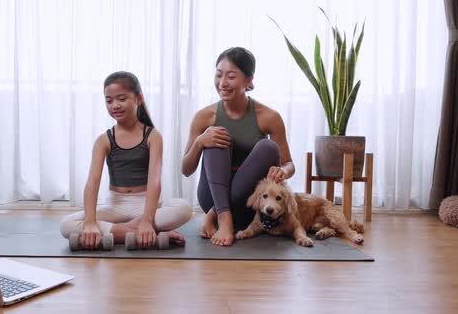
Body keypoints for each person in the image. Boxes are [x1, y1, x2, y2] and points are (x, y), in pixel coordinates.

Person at [60, 71, 192, 249]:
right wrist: (90, 222)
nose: (115, 105)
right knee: (67, 224)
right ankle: (146, 235)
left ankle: (126, 231)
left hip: (145, 204)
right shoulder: (104, 140)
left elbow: (154, 181)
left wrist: (147, 219)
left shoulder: (153, 136)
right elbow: (92, 182)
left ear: (138, 99)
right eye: (109, 100)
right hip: (116, 205)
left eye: (121, 99)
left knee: (183, 208)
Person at [181, 47, 295, 247]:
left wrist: (282, 170)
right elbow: (186, 169)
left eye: (231, 76)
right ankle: (223, 217)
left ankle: (214, 215)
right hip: (212, 196)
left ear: (249, 80)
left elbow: (288, 164)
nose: (222, 83)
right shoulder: (204, 116)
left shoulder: (269, 117)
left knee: (268, 147)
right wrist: (200, 142)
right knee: (216, 135)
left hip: (250, 204)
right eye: (218, 75)